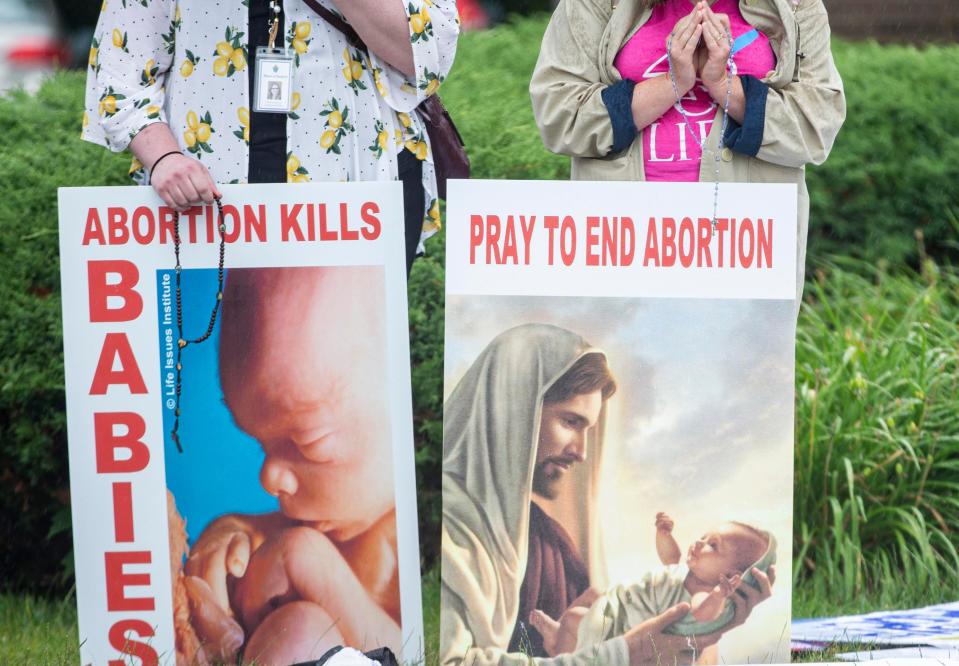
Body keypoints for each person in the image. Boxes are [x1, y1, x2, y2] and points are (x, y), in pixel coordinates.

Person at [440, 324, 774, 665]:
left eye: (588, 429)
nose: (581, 452)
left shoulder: (552, 548)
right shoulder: (443, 526)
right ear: (514, 409)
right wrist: (623, 654)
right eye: (570, 422)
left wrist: (713, 626)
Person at [82, 0, 459, 270]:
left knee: (348, 371)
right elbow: (119, 75)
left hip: (356, 196)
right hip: (205, 202)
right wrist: (164, 158)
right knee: (214, 368)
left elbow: (430, 54)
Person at [530, 0, 846, 303]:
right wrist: (673, 82)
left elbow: (815, 126)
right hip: (621, 247)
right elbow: (560, 115)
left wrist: (723, 85)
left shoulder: (796, 5)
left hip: (746, 254)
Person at [180, 266, 402, 664]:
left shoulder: (403, 541)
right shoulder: (306, 522)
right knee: (300, 626)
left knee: (303, 623)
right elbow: (250, 532)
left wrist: (311, 562)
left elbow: (406, 649)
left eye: (311, 440)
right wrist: (224, 537)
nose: (269, 477)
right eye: (262, 444)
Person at [529, 516, 774, 659]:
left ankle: (559, 651)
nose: (699, 543)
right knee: (587, 603)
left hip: (631, 626)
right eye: (703, 536)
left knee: (575, 619)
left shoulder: (703, 594)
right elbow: (670, 557)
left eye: (712, 545)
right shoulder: (684, 571)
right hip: (624, 605)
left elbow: (704, 613)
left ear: (729, 576)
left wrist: (721, 593)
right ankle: (559, 638)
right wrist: (664, 534)